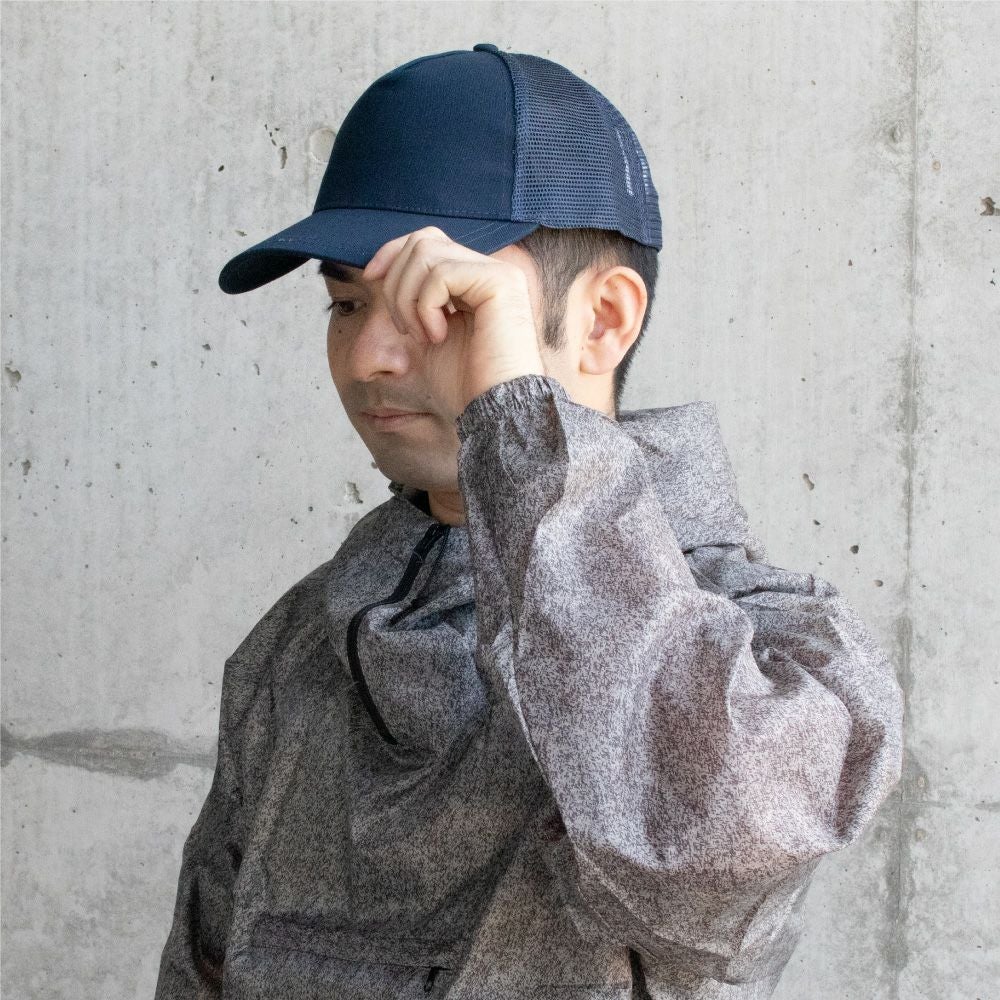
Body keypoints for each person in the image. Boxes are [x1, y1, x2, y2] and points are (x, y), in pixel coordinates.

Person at [153, 43, 904, 1000]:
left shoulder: (775, 649)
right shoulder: (303, 638)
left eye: (443, 303)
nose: (369, 354)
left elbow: (703, 850)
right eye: (345, 302)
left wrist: (515, 418)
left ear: (603, 320)